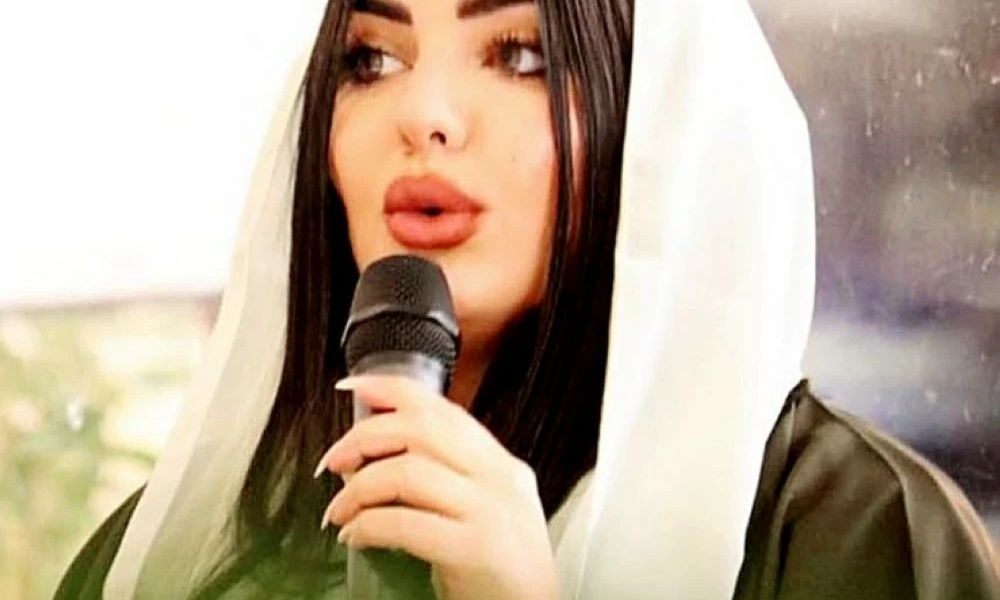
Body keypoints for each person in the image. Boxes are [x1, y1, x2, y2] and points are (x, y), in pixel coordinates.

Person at [55, 0, 1000, 598]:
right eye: (371, 59)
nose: (424, 114)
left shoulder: (865, 537)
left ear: (655, 117)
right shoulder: (170, 554)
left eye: (518, 55)